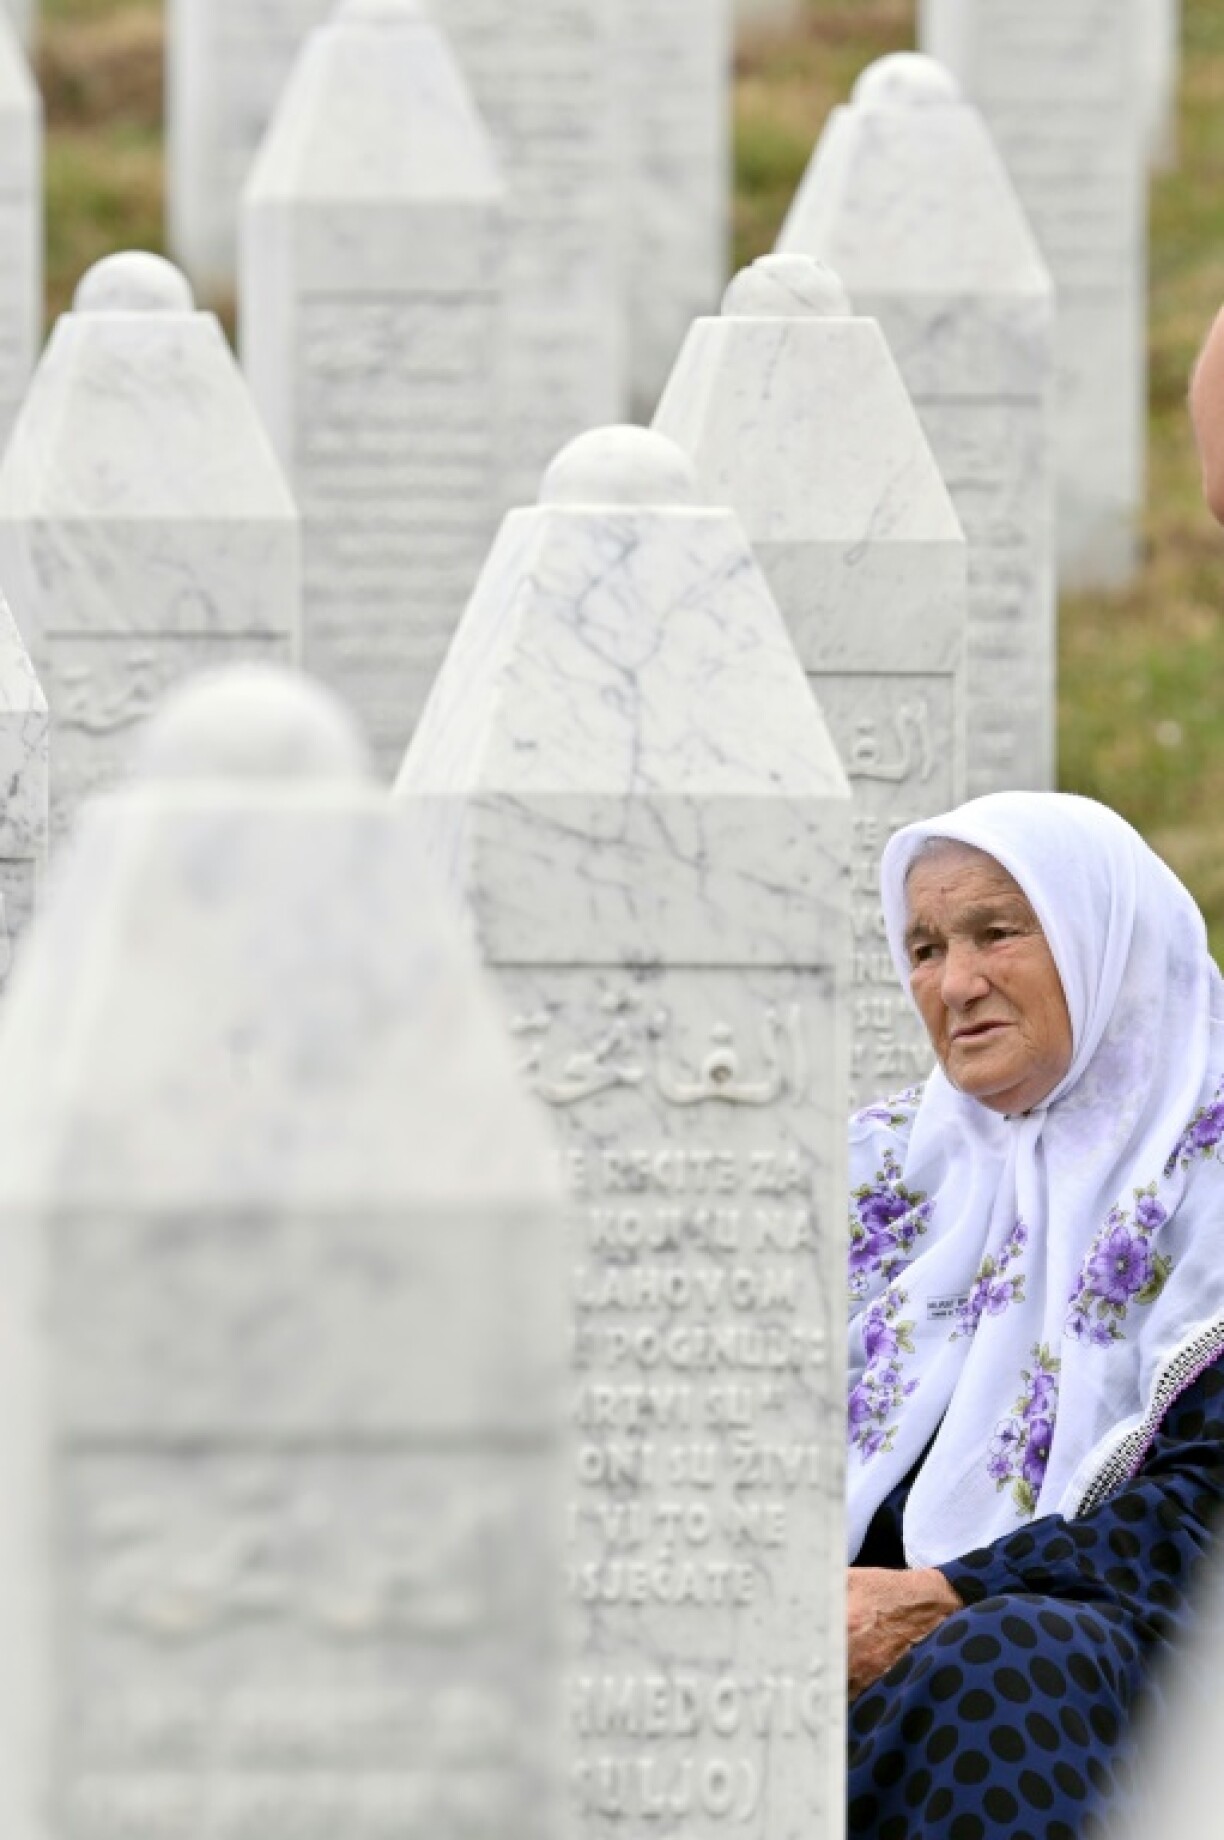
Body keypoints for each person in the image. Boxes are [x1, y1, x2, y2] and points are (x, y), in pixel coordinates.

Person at [846, 791, 1224, 1839]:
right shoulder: (883, 1168)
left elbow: (1205, 1516)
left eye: (997, 933)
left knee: (1008, 1666)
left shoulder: (1207, 1173)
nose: (954, 984)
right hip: (858, 1648)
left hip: (1118, 1656)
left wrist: (950, 1592)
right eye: (925, 948)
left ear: (1102, 938)